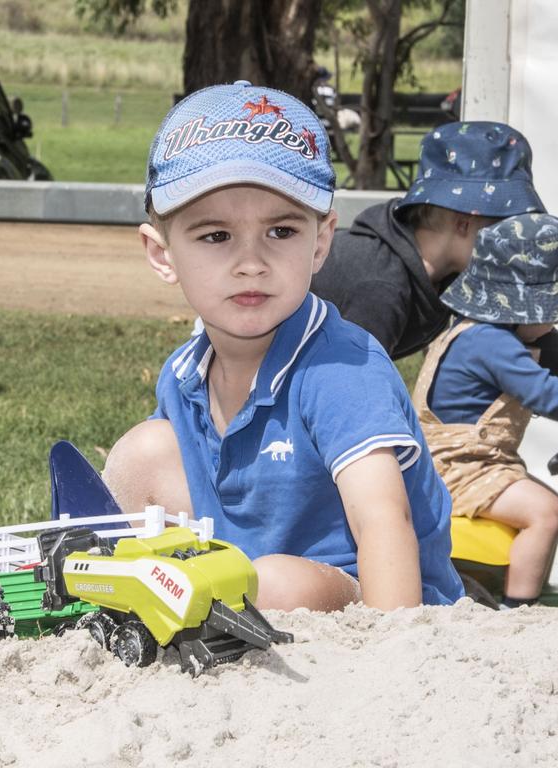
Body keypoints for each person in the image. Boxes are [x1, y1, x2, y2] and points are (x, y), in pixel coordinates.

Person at [102, 80, 464, 613]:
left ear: (320, 242)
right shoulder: (183, 372)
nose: (251, 261)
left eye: (281, 232)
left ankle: (217, 605)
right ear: (162, 254)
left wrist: (395, 651)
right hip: (244, 574)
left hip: (361, 589)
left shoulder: (343, 367)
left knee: (270, 582)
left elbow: (384, 520)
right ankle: (137, 606)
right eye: (216, 236)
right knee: (145, 450)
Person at [310, 121, 558, 437]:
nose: (518, 242)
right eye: (506, 228)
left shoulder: (451, 274)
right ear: (464, 222)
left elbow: (533, 334)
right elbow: (351, 404)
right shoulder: (380, 285)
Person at [412, 214, 558, 608]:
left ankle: (527, 591)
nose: (557, 319)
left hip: (479, 464)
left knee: (544, 501)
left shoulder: (488, 331)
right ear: (524, 305)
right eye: (553, 309)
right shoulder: (490, 343)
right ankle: (518, 608)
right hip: (456, 470)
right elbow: (545, 394)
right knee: (546, 511)